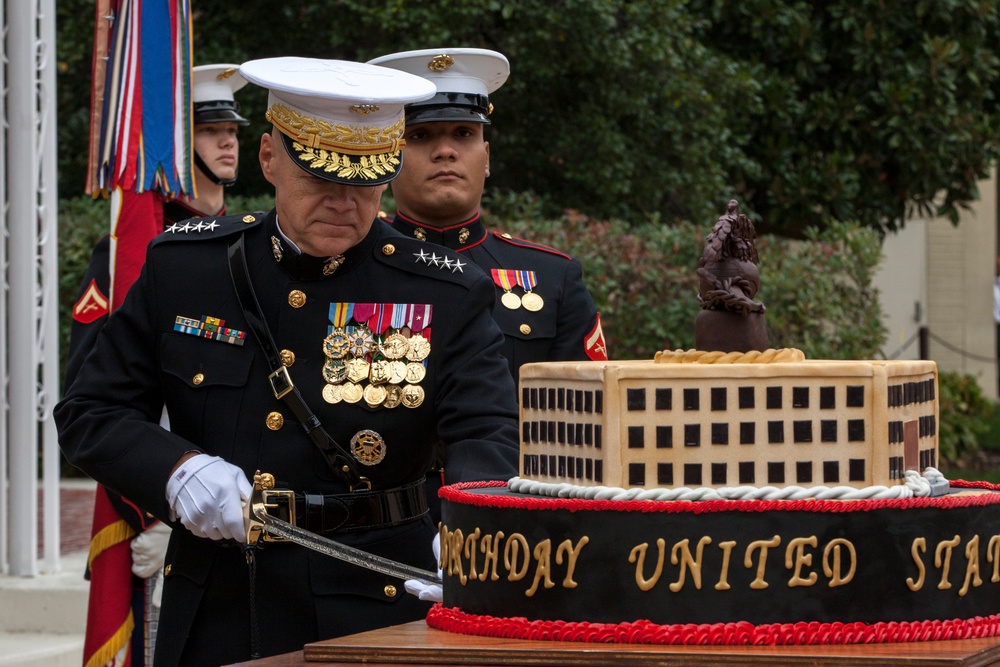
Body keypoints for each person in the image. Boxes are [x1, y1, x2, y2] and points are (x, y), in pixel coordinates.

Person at [55, 56, 520, 667]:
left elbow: (488, 430)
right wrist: (177, 471)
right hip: (221, 602)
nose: (343, 203)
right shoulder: (188, 269)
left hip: (378, 601)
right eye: (321, 178)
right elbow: (90, 410)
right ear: (269, 157)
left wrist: (468, 533)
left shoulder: (445, 292)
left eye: (364, 182)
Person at [368, 48, 607, 521]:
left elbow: (589, 429)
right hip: (375, 529)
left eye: (463, 133)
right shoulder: (353, 268)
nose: (445, 150)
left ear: (487, 156)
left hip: (514, 523)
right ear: (386, 155)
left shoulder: (552, 278)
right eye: (419, 136)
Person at [67, 63, 249, 667]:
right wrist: (153, 509)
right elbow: (97, 400)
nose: (228, 141)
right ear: (174, 144)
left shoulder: (251, 245)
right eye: (208, 128)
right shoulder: (134, 251)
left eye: (234, 128)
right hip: (167, 508)